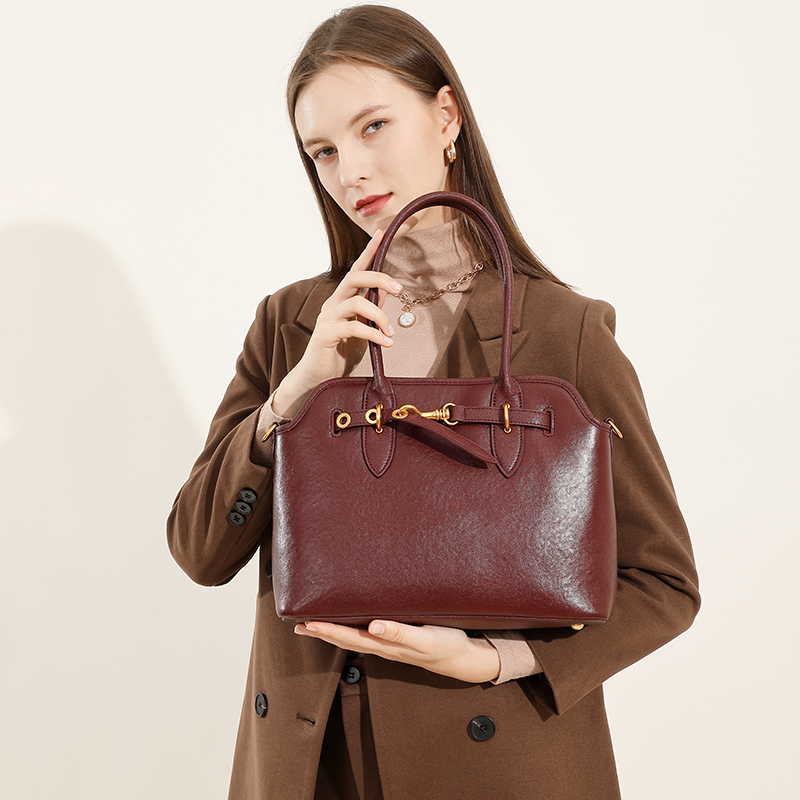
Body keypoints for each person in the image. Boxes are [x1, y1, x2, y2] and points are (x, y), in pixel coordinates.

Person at [167, 5, 700, 799]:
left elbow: (664, 583)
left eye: (373, 126)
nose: (350, 170)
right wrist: (301, 387)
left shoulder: (565, 332)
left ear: (446, 116)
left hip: (494, 766)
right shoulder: (291, 325)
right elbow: (200, 550)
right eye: (323, 151)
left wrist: (495, 660)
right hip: (308, 767)